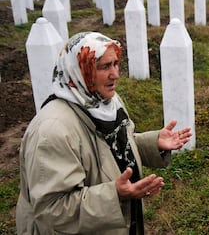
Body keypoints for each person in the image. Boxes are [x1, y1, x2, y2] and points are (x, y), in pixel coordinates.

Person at [16, 31, 192, 235]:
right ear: (79, 69)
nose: (115, 74)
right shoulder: (52, 131)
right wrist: (115, 194)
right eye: (104, 67)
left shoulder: (106, 103)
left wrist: (153, 143)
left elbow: (109, 149)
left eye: (116, 64)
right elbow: (52, 208)